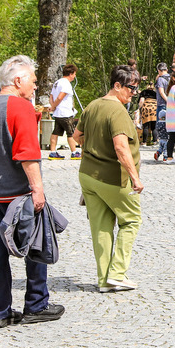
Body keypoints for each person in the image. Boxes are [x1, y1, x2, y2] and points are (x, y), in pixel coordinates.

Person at [0, 55, 64, 328]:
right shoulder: (20, 107)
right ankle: (36, 304)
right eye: (33, 81)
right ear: (17, 81)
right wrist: (38, 191)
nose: (36, 86)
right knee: (37, 245)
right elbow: (27, 154)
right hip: (17, 195)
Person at [72, 65, 144, 293]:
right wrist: (135, 178)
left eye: (136, 88)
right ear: (117, 85)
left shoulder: (92, 106)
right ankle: (117, 274)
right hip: (113, 177)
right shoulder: (118, 111)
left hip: (88, 175)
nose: (134, 93)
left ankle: (104, 280)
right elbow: (121, 147)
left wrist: (94, 150)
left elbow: (76, 137)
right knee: (131, 220)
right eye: (131, 88)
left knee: (100, 227)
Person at [47, 64, 80, 160]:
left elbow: (51, 96)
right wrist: (54, 106)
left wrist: (52, 107)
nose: (74, 76)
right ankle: (74, 152)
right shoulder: (66, 83)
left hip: (57, 113)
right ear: (71, 74)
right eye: (74, 74)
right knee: (71, 133)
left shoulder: (57, 82)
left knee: (55, 132)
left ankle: (53, 152)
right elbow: (60, 97)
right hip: (65, 113)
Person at [153, 63, 170, 161]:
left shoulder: (160, 79)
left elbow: (161, 92)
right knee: (168, 127)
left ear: (159, 70)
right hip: (170, 104)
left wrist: (167, 100)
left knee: (161, 125)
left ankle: (162, 151)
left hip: (162, 104)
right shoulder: (170, 78)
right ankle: (165, 151)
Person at [137, 81, 157, 146]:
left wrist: (139, 108)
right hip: (155, 108)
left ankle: (144, 142)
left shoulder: (144, 92)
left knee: (145, 126)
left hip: (146, 109)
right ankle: (155, 141)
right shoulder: (155, 93)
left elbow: (141, 100)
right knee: (154, 127)